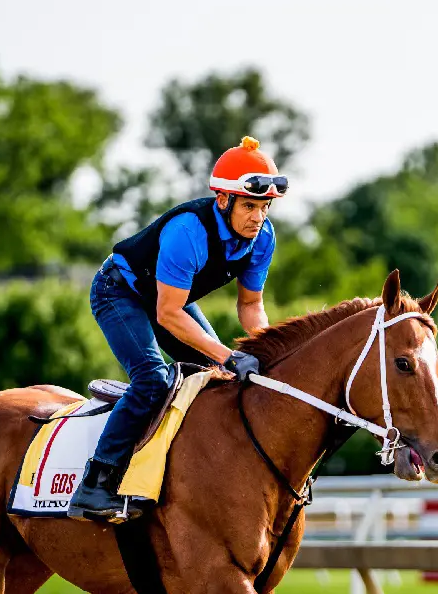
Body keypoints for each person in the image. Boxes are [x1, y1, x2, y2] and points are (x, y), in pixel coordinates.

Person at [68, 135, 288, 521]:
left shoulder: (262, 237)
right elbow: (169, 315)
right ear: (223, 200)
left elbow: (251, 305)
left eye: (265, 207)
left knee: (216, 377)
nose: (258, 217)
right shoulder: (188, 231)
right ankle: (95, 485)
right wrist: (229, 355)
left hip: (168, 300)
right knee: (152, 378)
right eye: (250, 205)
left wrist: (266, 352)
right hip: (118, 292)